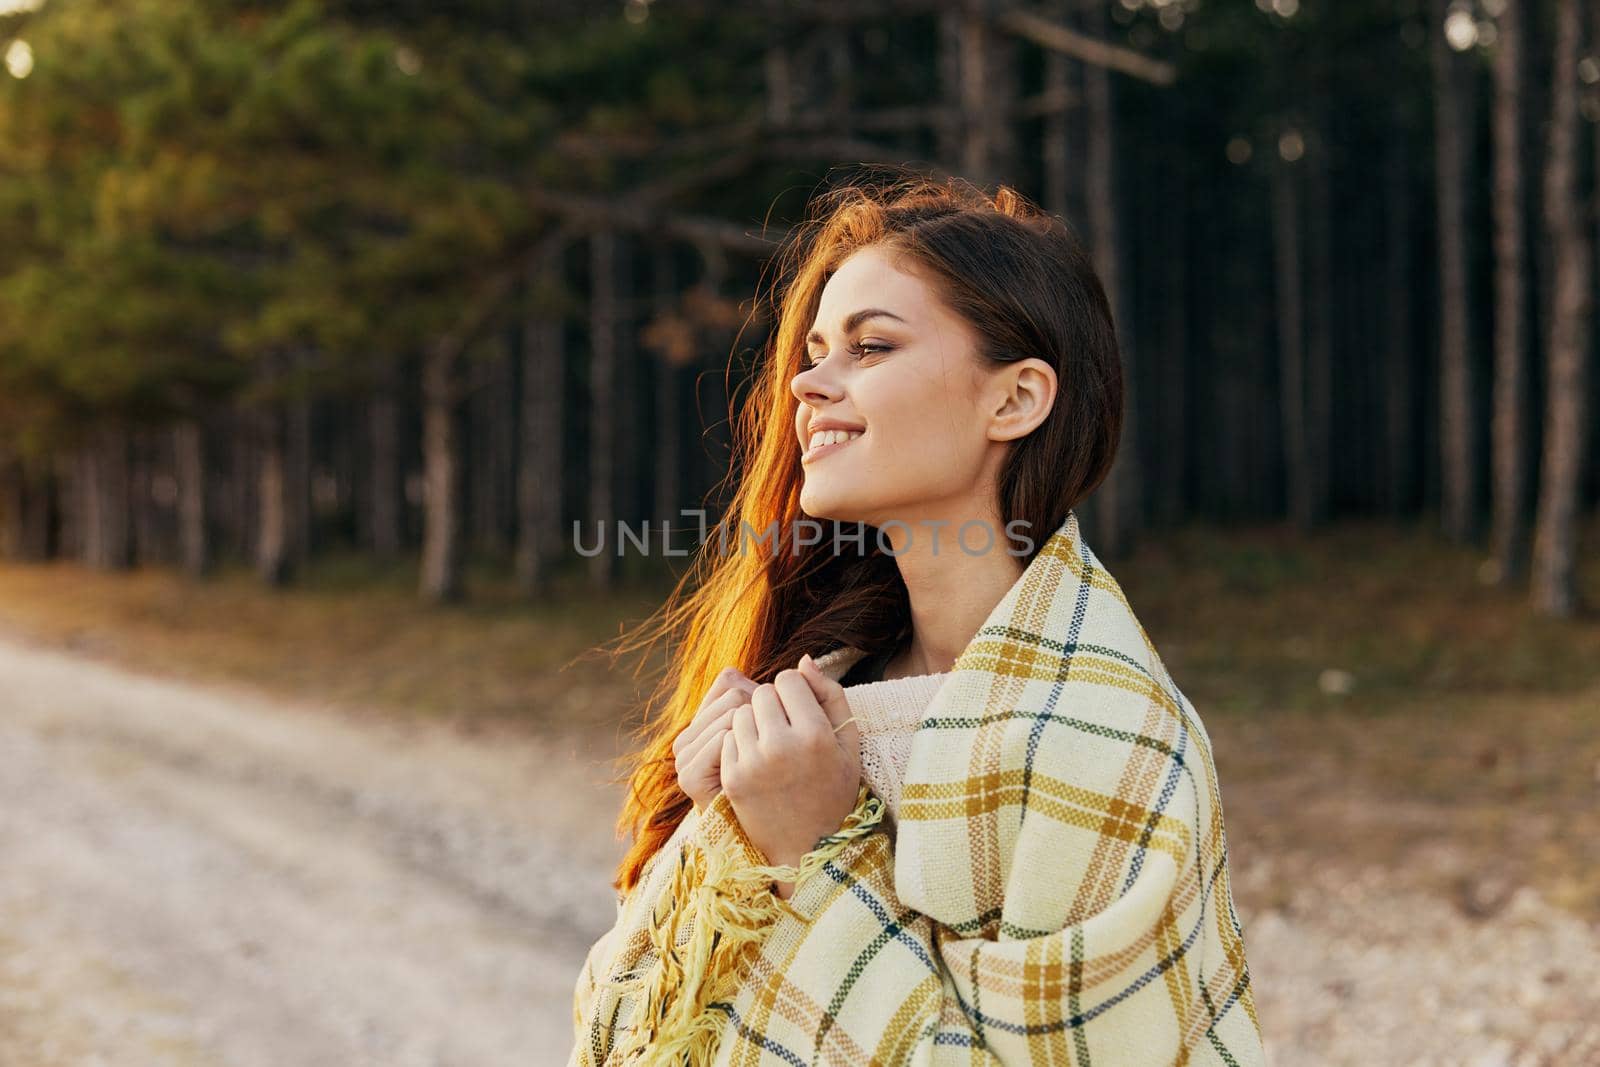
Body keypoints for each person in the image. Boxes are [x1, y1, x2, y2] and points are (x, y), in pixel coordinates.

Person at [569, 170, 1266, 1066]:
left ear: (1013, 399)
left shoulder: (1108, 738)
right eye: (815, 349)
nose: (806, 386)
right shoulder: (820, 690)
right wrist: (722, 829)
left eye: (869, 347)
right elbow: (617, 1035)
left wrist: (814, 847)